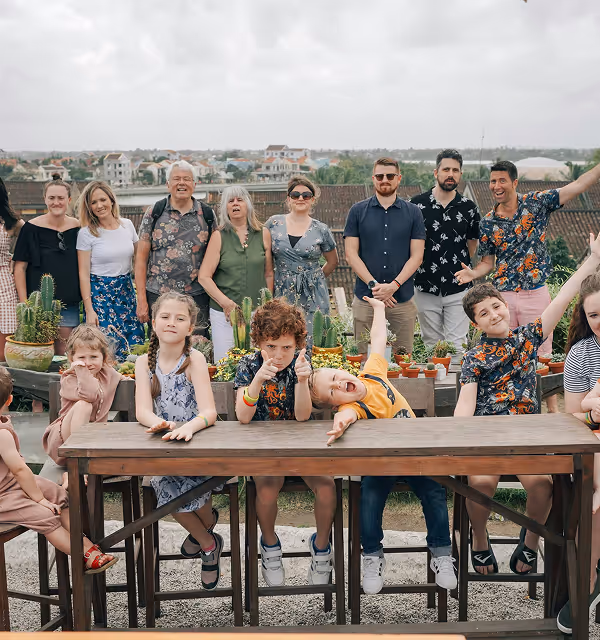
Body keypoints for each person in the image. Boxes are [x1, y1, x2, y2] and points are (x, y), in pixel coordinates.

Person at [454, 230, 600, 584]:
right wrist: (459, 437)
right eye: (482, 313)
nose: (492, 315)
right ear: (475, 323)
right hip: (486, 439)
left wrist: (593, 260)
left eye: (495, 306)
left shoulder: (527, 339)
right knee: (481, 485)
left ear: (505, 305)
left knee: (542, 486)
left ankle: (530, 540)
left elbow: (564, 298)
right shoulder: (473, 358)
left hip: (527, 436)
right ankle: (479, 535)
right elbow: (465, 406)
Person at [310, 296, 456, 592]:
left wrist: (379, 310)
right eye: (333, 392)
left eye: (337, 377)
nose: (339, 384)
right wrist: (340, 423)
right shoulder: (352, 409)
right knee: (370, 498)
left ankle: (441, 552)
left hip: (416, 457)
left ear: (345, 371)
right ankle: (372, 555)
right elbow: (348, 415)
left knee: (435, 492)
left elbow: (377, 340)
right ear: (333, 404)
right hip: (382, 463)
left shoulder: (373, 373)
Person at [455, 158, 600, 412]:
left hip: (534, 291)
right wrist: (472, 274)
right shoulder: (488, 222)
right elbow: (487, 262)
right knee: (503, 348)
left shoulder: (536, 202)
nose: (496, 186)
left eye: (501, 180)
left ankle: (552, 410)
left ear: (514, 182)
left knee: (539, 354)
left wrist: (593, 260)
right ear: (475, 323)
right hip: (504, 293)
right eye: (492, 181)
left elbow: (576, 186)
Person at [234, 298, 335, 587]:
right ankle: (270, 545)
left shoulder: (301, 365)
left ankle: (321, 547)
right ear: (259, 343)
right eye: (271, 346)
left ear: (298, 345)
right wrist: (256, 382)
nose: (278, 355)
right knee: (266, 488)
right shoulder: (249, 365)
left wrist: (303, 382)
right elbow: (243, 416)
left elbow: (303, 417)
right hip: (265, 446)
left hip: (301, 444)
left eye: (286, 347)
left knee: (327, 486)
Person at [135, 291, 222, 590]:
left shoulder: (194, 359)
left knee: (194, 484)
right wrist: (160, 424)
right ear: (154, 323)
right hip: (165, 446)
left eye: (180, 318)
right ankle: (209, 542)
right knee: (167, 486)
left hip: (198, 445)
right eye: (165, 317)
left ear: (190, 328)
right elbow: (142, 411)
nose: (171, 323)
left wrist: (189, 428)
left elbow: (209, 411)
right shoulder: (142, 363)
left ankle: (205, 525)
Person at [0, 366, 116, 574]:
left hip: (9, 483)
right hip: (3, 496)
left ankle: (80, 535)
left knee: (58, 495)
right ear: (10, 400)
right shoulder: (2, 435)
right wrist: (39, 500)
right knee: (43, 515)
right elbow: (19, 469)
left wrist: (43, 494)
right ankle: (87, 553)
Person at [344, 157, 426, 356]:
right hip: (365, 298)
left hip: (402, 300)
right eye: (380, 176)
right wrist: (375, 286)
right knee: (363, 358)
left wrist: (393, 286)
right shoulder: (357, 211)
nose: (384, 180)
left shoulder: (414, 213)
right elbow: (350, 255)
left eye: (390, 176)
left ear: (399, 179)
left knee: (403, 360)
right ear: (373, 179)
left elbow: (417, 256)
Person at [557, 272, 600, 633]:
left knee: (593, 498)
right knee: (593, 478)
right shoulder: (581, 354)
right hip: (595, 441)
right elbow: (575, 415)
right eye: (594, 316)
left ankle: (588, 580)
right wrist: (593, 411)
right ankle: (588, 581)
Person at [411, 150, 480, 362]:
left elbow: (472, 243)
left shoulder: (469, 208)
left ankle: (457, 394)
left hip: (458, 286)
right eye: (446, 169)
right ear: (436, 172)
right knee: (432, 344)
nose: (450, 174)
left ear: (460, 174)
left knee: (458, 345)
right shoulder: (416, 205)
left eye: (455, 170)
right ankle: (437, 394)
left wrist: (455, 266)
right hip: (424, 286)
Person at [135, 161, 215, 336]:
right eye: (176, 179)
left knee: (197, 346)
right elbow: (140, 259)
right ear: (168, 184)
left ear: (194, 184)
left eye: (187, 179)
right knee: (160, 346)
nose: (182, 183)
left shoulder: (207, 215)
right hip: (159, 295)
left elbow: (216, 256)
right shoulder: (155, 212)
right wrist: (141, 299)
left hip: (196, 295)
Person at [198, 185, 273, 362]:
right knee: (226, 364)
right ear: (225, 208)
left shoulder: (263, 234)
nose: (236, 204)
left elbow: (268, 273)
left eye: (240, 200)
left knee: (257, 364)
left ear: (248, 205)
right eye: (230, 201)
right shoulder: (219, 236)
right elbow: (204, 276)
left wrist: (267, 306)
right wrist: (226, 304)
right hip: (224, 315)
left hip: (257, 313)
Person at [43, 325, 123, 485]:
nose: (88, 363)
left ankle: (73, 474)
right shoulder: (69, 379)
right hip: (64, 443)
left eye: (94, 357)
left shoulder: (109, 374)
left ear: (104, 357)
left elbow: (127, 381)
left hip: (94, 442)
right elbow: (90, 395)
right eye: (82, 358)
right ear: (72, 358)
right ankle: (77, 467)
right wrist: (80, 371)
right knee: (84, 405)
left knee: (120, 463)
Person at [13, 174, 81, 354]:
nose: (56, 202)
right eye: (51, 198)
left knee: (64, 355)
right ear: (45, 199)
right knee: (39, 356)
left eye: (60, 198)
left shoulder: (78, 227)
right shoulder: (30, 229)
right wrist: (24, 304)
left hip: (68, 304)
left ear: (69, 200)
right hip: (37, 307)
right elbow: (19, 268)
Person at [264, 177, 338, 341]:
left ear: (313, 199)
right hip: (282, 290)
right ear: (288, 198)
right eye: (295, 194)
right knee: (281, 338)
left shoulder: (321, 229)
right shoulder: (273, 223)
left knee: (312, 338)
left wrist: (313, 278)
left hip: (313, 293)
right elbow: (265, 261)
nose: (300, 198)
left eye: (306, 195)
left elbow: (333, 261)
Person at [77, 181, 144, 360]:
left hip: (126, 292)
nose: (99, 205)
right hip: (101, 296)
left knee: (134, 345)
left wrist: (141, 298)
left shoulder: (127, 225)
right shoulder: (86, 233)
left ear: (112, 200)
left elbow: (139, 261)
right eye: (93, 202)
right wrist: (89, 309)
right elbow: (83, 274)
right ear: (89, 207)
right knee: (106, 349)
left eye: (102, 200)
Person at [0, 177, 24, 361]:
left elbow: (29, 244)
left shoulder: (9, 222)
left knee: (5, 346)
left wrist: (14, 259)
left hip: (4, 284)